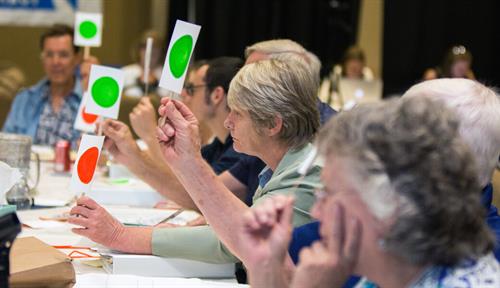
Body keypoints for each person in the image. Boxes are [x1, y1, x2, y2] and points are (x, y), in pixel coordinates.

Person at [69, 57, 322, 264]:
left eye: (238, 113)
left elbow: (238, 241)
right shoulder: (283, 166)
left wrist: (120, 235)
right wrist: (183, 161)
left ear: (273, 125)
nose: (228, 121)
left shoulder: (306, 174)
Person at [242, 96, 500, 288]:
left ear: (389, 208)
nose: (316, 210)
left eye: (329, 194)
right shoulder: (389, 276)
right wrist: (266, 267)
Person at [100, 57, 246, 211]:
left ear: (216, 95)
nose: (183, 93)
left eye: (190, 88)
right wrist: (132, 155)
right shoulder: (219, 145)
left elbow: (201, 198)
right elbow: (184, 182)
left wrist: (150, 135)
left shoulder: (242, 150)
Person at [3, 24, 82, 147]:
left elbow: (103, 153)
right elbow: (5, 147)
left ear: (77, 59)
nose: (56, 62)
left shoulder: (89, 102)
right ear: (42, 59)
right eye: (49, 55)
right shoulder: (24, 99)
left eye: (63, 55)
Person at [318, 45, 374, 110]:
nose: (355, 73)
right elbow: (322, 101)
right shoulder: (335, 76)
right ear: (345, 66)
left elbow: (372, 101)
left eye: (358, 70)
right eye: (352, 69)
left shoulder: (367, 76)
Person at [122, 30, 169, 98]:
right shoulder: (125, 72)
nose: (150, 51)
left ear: (161, 51)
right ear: (138, 50)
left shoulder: (167, 76)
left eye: (155, 47)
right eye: (145, 47)